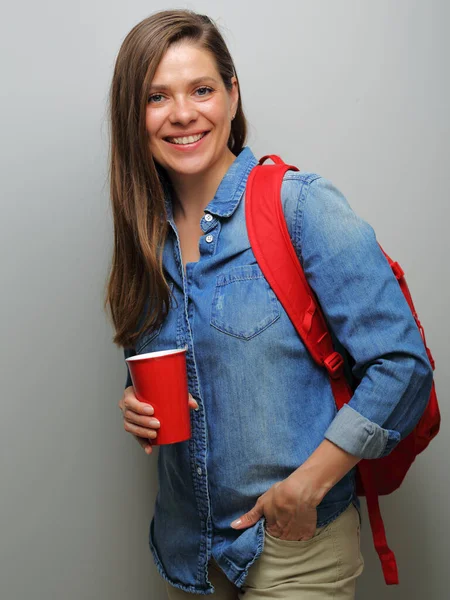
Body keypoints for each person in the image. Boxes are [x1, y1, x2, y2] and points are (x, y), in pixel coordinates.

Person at [104, 9, 433, 600]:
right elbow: (190, 377)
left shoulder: (300, 208)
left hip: (293, 551)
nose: (182, 113)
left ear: (232, 96)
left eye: (201, 89)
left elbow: (402, 367)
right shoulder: (143, 239)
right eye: (157, 96)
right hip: (190, 557)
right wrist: (137, 407)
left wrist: (306, 486)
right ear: (135, 115)